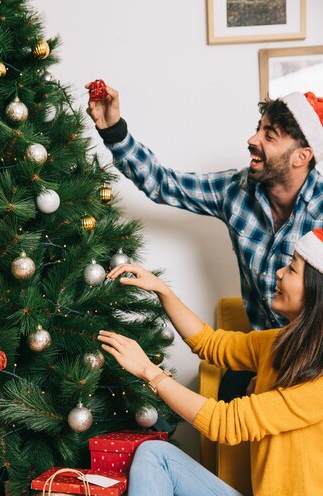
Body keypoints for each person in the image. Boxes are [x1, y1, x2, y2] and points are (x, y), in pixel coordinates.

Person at [60, 227, 323, 496]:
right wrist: (161, 290)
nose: (279, 274)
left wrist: (150, 372)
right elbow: (211, 344)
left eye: (292, 268)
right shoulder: (281, 344)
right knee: (155, 454)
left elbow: (227, 422)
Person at [86, 84, 323, 397]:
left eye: (270, 135)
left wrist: (280, 376)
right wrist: (114, 130)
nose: (252, 141)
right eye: (258, 130)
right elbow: (162, 183)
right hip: (256, 351)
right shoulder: (235, 192)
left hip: (314, 362)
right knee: (225, 403)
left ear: (302, 156)